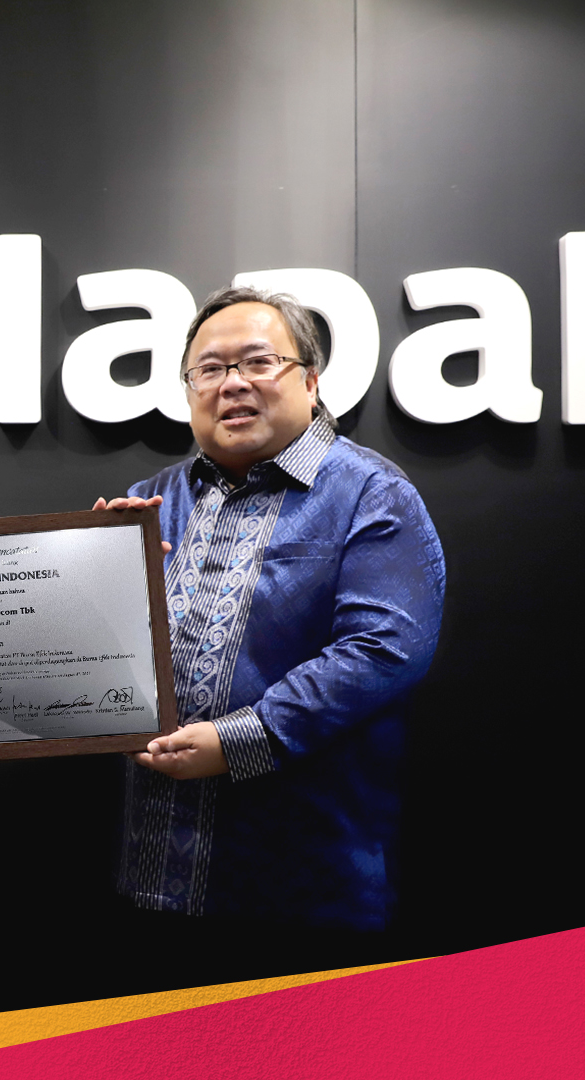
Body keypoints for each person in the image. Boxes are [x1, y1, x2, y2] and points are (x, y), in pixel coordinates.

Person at [95, 285, 445, 926]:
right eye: (209, 370)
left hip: (304, 886)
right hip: (150, 876)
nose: (232, 383)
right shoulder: (150, 500)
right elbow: (108, 664)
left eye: (259, 362)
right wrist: (93, 587)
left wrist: (239, 742)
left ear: (310, 381)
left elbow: (383, 652)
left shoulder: (370, 493)